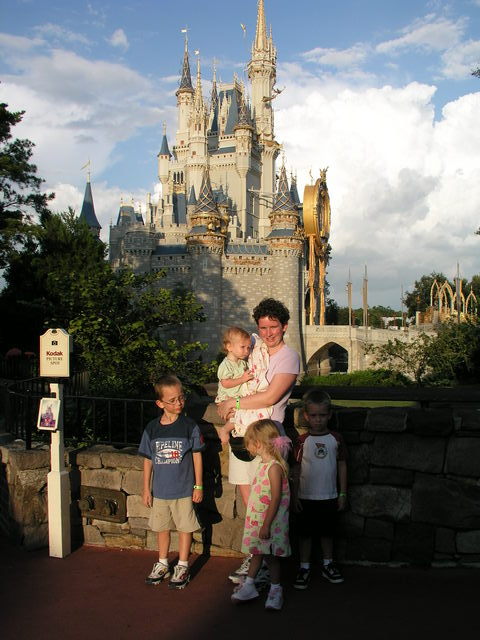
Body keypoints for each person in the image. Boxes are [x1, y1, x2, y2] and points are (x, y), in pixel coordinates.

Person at [217, 298, 300, 583]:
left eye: (273, 327)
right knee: (251, 505)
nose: (268, 333)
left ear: (284, 326)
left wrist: (233, 402)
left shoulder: (288, 357)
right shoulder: (251, 348)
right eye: (263, 327)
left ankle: (266, 567)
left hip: (267, 439)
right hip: (242, 434)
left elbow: (270, 397)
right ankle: (256, 559)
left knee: (269, 506)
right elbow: (231, 364)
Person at [139, 374, 204, 589]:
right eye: (173, 400)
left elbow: (197, 456)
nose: (179, 403)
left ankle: (183, 564)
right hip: (160, 491)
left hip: (184, 489)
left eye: (181, 398)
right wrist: (146, 488)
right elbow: (148, 460)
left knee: (185, 527)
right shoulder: (152, 428)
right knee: (162, 528)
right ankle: (163, 562)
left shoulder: (190, 426)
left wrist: (198, 485)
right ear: (160, 403)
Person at [231, 419, 291, 610]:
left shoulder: (274, 468)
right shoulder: (263, 465)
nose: (246, 446)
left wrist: (266, 525)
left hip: (269, 523)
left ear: (257, 443)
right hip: (260, 521)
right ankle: (249, 585)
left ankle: (276, 589)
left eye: (248, 442)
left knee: (271, 557)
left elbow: (275, 498)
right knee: (257, 552)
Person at [292, 389, 347, 590]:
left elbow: (342, 465)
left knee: (327, 533)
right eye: (314, 415)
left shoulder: (336, 438)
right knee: (305, 534)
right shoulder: (302, 441)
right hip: (305, 496)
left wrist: (342, 493)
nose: (318, 420)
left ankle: (328, 563)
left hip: (329, 495)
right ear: (306, 416)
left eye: (322, 415)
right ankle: (304, 566)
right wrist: (295, 495)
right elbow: (296, 468)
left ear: (329, 415)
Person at [215, 326, 272, 446]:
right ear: (229, 347)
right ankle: (225, 430)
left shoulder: (242, 363)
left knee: (243, 414)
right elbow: (225, 383)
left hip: (236, 397)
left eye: (248, 347)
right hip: (227, 398)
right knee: (236, 415)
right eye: (242, 347)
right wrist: (242, 379)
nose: (246, 351)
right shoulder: (226, 365)